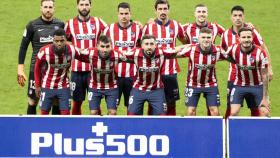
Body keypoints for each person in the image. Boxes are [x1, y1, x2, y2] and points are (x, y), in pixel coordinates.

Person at [221, 5, 273, 118]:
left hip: (254, 76)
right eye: (235, 15)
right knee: (230, 107)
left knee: (256, 107)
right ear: (231, 17)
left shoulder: (252, 31)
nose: (238, 18)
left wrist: (269, 68)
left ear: (243, 17)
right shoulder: (225, 34)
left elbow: (263, 48)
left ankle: (255, 130)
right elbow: (223, 53)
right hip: (234, 77)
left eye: (240, 15)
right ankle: (227, 133)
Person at [17, 0, 64, 115]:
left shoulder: (60, 24)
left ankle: (54, 129)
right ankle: (30, 128)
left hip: (55, 70)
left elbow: (67, 46)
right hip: (36, 69)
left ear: (54, 8)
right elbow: (23, 47)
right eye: (45, 7)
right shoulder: (32, 25)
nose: (48, 9)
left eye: (50, 7)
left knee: (55, 101)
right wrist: (20, 69)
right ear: (41, 8)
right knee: (33, 100)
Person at [142, 0, 187, 115]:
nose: (163, 12)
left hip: (170, 71)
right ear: (155, 11)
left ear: (169, 10)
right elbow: (141, 45)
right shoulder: (148, 27)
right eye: (160, 9)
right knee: (152, 101)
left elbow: (185, 40)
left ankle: (172, 126)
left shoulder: (176, 25)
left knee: (171, 102)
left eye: (165, 9)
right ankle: (151, 125)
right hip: (153, 70)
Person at [64, 0, 107, 115]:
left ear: (90, 6)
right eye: (82, 5)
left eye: (86, 5)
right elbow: (63, 43)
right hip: (76, 71)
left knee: (95, 102)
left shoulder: (98, 22)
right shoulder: (70, 24)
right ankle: (77, 127)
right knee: (77, 102)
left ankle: (99, 127)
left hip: (94, 70)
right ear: (77, 6)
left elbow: (111, 33)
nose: (84, 7)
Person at [124, 35, 182, 115]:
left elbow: (178, 49)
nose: (149, 46)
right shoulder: (135, 53)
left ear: (156, 45)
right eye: (146, 44)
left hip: (156, 90)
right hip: (138, 89)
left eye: (151, 44)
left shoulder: (162, 52)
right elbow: (119, 54)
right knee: (132, 115)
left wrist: (197, 45)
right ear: (142, 45)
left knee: (161, 117)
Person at [176, 28, 226, 116]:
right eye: (203, 37)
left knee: (214, 111)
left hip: (211, 84)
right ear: (198, 38)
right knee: (191, 111)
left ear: (212, 38)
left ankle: (216, 129)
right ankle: (192, 129)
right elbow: (172, 54)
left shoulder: (218, 50)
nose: (206, 40)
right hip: (193, 84)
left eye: (208, 37)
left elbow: (233, 57)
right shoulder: (191, 49)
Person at [104, 2, 142, 113]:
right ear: (118, 14)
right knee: (112, 110)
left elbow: (142, 48)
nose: (124, 16)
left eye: (126, 13)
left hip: (133, 75)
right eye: (121, 13)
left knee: (131, 109)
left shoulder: (138, 29)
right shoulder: (109, 29)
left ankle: (131, 130)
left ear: (130, 14)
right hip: (114, 75)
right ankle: (111, 129)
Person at [225, 27, 270, 116]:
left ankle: (262, 129)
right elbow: (222, 54)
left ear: (252, 37)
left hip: (257, 86)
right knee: (233, 113)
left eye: (248, 37)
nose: (246, 40)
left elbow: (265, 75)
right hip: (239, 85)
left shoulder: (260, 53)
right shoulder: (233, 49)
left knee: (265, 113)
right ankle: (235, 130)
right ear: (239, 38)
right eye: (244, 37)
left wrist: (265, 97)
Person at [34, 29, 79, 115]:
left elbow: (85, 57)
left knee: (65, 113)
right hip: (47, 86)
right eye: (56, 41)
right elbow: (37, 68)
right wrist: (37, 86)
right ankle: (45, 128)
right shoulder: (44, 51)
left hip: (63, 86)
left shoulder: (72, 50)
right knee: (44, 113)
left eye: (62, 41)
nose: (59, 43)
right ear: (52, 40)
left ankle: (64, 129)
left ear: (66, 40)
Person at [80, 35, 123, 115]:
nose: (105, 49)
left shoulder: (118, 55)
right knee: (93, 112)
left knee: (113, 113)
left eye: (107, 46)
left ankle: (110, 127)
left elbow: (133, 58)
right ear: (97, 46)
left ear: (111, 46)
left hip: (112, 87)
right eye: (102, 46)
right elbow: (76, 53)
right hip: (94, 86)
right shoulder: (90, 53)